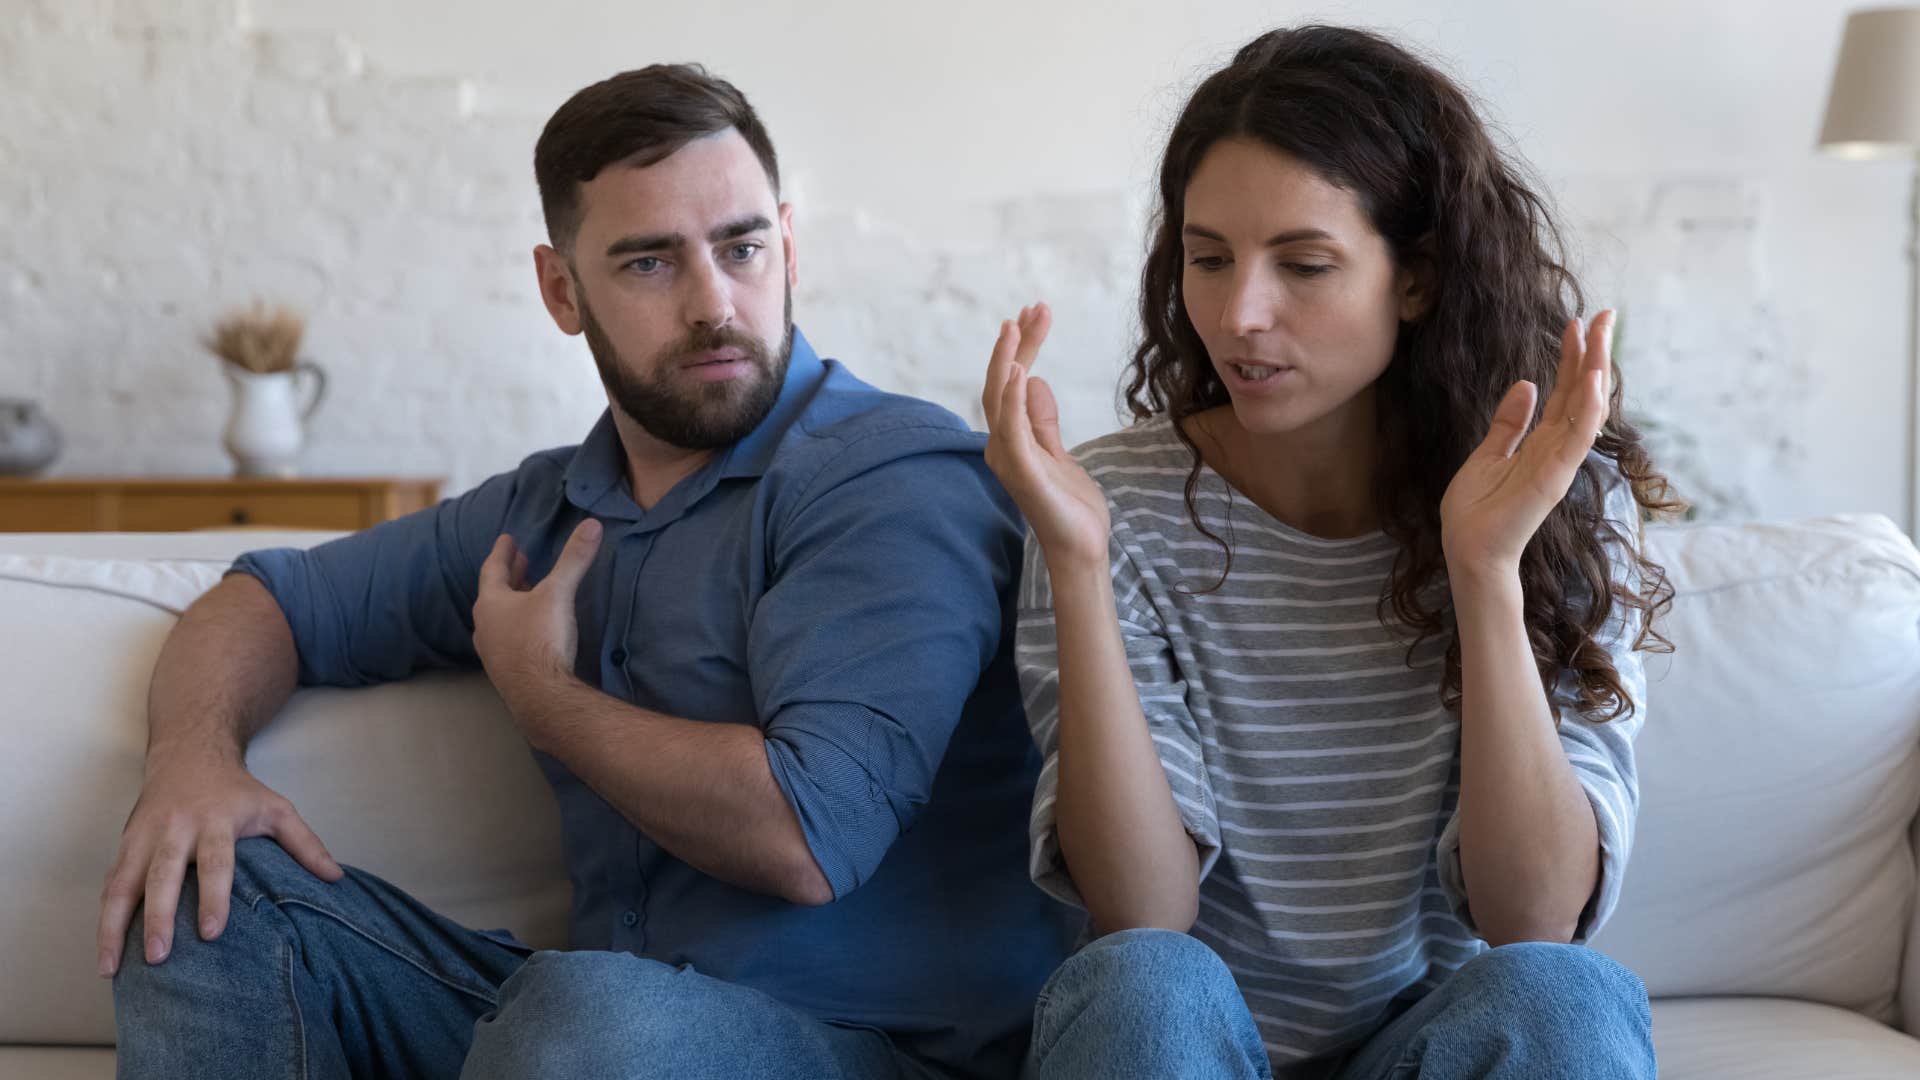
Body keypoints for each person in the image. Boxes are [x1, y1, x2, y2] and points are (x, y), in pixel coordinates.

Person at [102, 63, 1075, 1080]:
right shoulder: (543, 511)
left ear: (788, 246)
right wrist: (190, 764)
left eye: (741, 248)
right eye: (650, 264)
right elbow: (264, 600)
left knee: (588, 1016)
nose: (714, 303)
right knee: (209, 884)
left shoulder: (888, 478)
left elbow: (807, 833)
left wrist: (542, 696)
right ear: (562, 290)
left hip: (875, 1054)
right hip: (588, 1039)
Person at [982, 25, 1677, 1080]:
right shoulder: (1106, 503)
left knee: (1562, 994)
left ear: (1417, 277)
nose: (1238, 314)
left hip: (1425, 1050)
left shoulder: (1557, 497)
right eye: (1207, 259)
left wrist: (1485, 574)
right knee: (1142, 981)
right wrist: (1078, 565)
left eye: (1303, 264)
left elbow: (1533, 919)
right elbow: (1142, 917)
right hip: (1187, 1047)